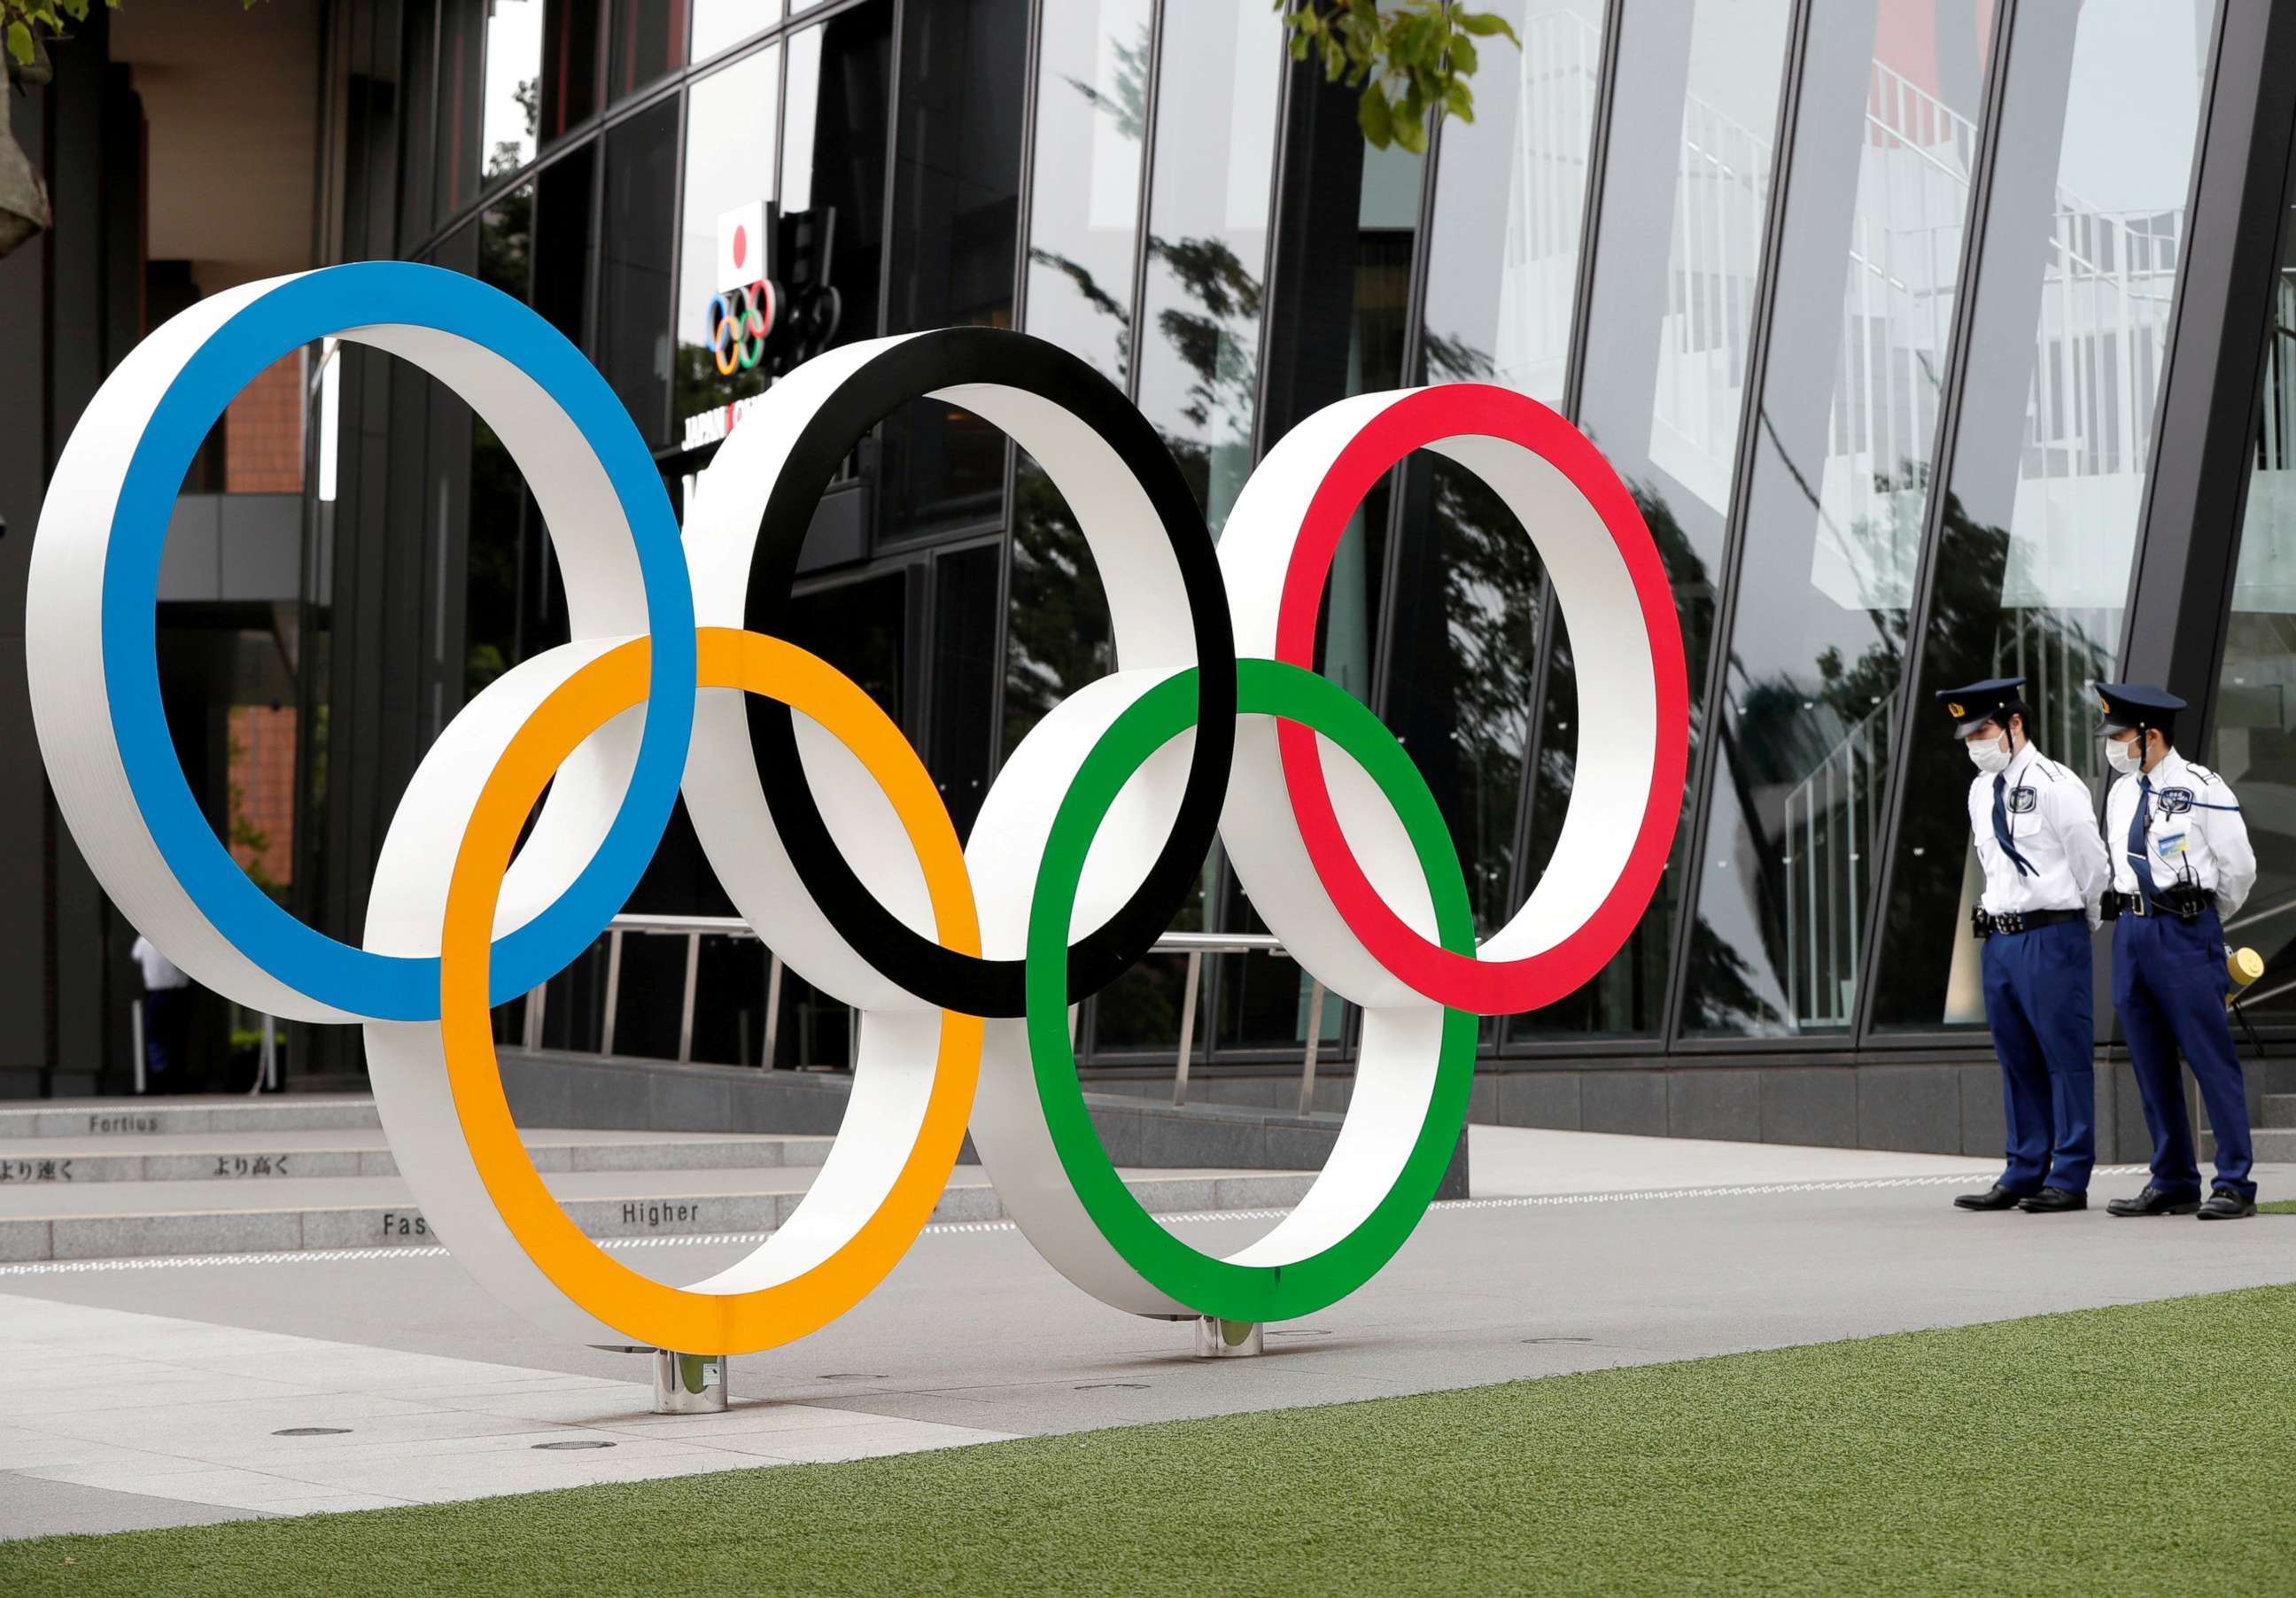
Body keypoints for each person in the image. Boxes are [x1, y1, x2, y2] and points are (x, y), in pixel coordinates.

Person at [1940, 679, 2108, 1214]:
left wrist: (2080, 920)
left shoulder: (2057, 783)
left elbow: (2091, 862)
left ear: (2015, 724)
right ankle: (2024, 1168)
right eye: (1967, 735)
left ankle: (2069, 1174)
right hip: (2001, 940)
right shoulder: (1978, 789)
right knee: (2017, 1060)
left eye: (1984, 730)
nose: (1975, 743)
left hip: (2051, 933)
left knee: (2065, 1058)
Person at [2097, 684, 2260, 1221]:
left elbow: (2239, 868)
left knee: (2210, 1057)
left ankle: (2234, 1181)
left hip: (2186, 931)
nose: (2113, 746)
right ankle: (2172, 1178)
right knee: (2149, 1059)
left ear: (2153, 735)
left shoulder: (2202, 786)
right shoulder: (2122, 792)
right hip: (2134, 934)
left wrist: (2205, 919)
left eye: (2120, 736)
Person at [130, 932, 191, 1090]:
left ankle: (160, 1074)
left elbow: (136, 956)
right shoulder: (175, 940)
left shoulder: (144, 940)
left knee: (155, 1036)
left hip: (156, 993)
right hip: (177, 994)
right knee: (176, 1036)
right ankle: (173, 1077)